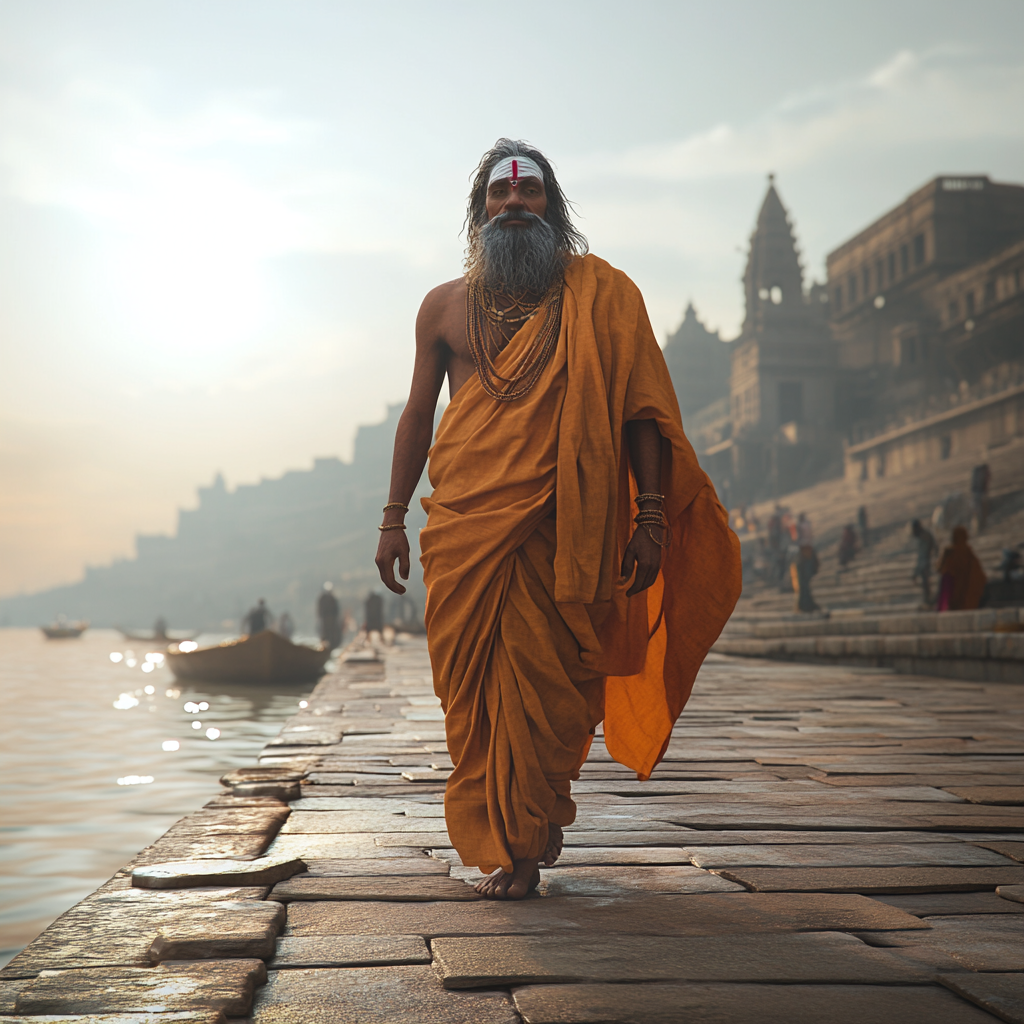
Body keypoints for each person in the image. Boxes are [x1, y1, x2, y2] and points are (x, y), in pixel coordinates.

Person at [374, 139, 741, 900]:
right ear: (480, 213)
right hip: (465, 528)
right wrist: (391, 518)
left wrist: (651, 518)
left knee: (551, 687)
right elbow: (417, 415)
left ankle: (525, 846)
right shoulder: (443, 307)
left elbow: (643, 413)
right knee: (472, 690)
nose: (514, 206)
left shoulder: (602, 297)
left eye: (529, 195)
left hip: (565, 527)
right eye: (500, 198)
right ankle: (507, 838)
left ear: (553, 207)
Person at [936, 526, 986, 611]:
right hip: (970, 603)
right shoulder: (970, 555)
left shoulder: (951, 554)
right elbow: (981, 579)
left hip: (955, 603)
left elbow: (943, 574)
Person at [910, 519, 938, 606]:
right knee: (925, 583)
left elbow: (935, 547)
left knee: (926, 582)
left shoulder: (926, 534)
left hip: (926, 561)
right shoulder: (921, 536)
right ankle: (927, 600)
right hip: (923, 562)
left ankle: (928, 600)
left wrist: (937, 559)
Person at [791, 544, 820, 613]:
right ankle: (805, 607)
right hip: (803, 575)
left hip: (805, 575)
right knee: (804, 590)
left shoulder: (807, 552)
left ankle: (806, 607)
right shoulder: (802, 554)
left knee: (805, 590)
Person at [317, 583, 342, 650]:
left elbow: (336, 610)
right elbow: (320, 610)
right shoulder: (323, 598)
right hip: (326, 619)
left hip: (331, 619)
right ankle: (325, 646)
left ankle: (329, 646)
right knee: (326, 633)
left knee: (330, 634)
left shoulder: (332, 598)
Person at [970, 462, 991, 534]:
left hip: (977, 494)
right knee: (980, 512)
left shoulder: (977, 473)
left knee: (979, 512)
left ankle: (980, 527)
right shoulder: (982, 473)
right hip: (980, 495)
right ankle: (980, 528)